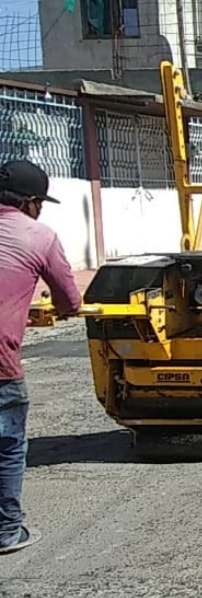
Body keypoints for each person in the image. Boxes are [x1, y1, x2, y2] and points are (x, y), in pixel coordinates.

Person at [0, 160, 83, 555]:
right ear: (31, 203)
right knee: (8, 446)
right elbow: (70, 301)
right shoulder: (39, 235)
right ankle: (6, 531)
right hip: (1, 369)